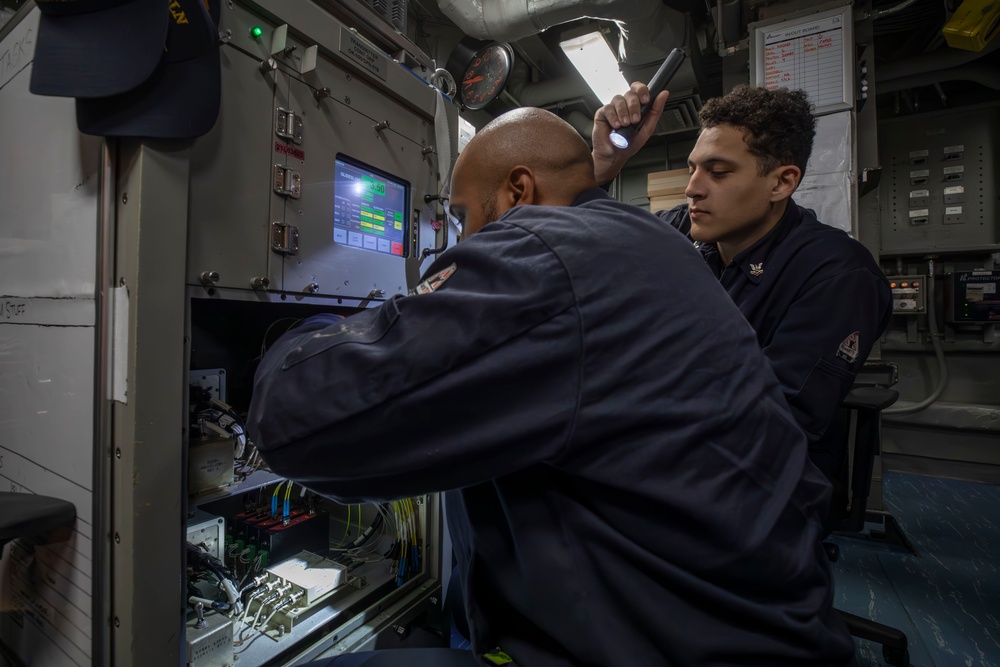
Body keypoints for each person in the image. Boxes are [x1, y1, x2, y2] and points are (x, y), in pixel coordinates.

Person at [248, 107, 855, 666]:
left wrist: (313, 328)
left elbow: (294, 420)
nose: (460, 236)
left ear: (519, 190)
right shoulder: (653, 245)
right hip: (749, 626)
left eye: (463, 215)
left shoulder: (547, 251)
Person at [593, 83, 893, 484]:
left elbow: (770, 421)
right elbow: (581, 250)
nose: (692, 188)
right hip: (666, 445)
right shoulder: (682, 231)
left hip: (758, 484)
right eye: (693, 169)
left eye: (718, 173)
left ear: (781, 183)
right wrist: (601, 166)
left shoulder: (837, 274)